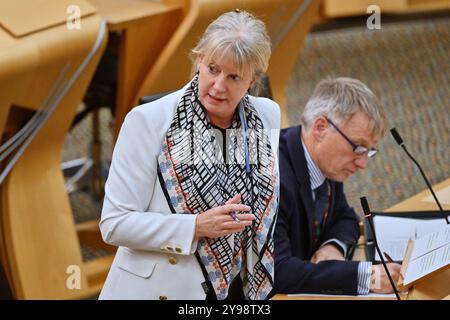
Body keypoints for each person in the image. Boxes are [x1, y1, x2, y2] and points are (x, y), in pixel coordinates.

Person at [99, 10, 280, 300]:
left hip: (239, 289)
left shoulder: (266, 116)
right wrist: (194, 227)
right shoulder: (149, 121)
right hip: (163, 290)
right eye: (212, 69)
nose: (219, 86)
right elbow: (114, 224)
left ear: (253, 79)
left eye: (234, 76)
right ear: (198, 60)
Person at [274, 77, 401, 295]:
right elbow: (278, 271)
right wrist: (367, 278)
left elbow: (346, 218)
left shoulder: (325, 163)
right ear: (321, 128)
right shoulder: (274, 176)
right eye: (358, 148)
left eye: (369, 151)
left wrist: (333, 246)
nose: (363, 164)